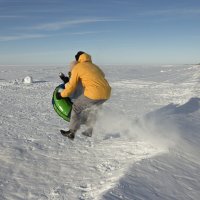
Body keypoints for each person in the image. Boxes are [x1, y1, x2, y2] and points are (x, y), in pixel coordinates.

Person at [56, 51, 111, 140]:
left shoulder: (78, 67)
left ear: (78, 59)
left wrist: (61, 95)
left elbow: (72, 86)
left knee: (76, 107)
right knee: (94, 108)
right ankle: (89, 130)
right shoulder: (94, 66)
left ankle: (71, 132)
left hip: (94, 92)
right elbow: (101, 76)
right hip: (106, 92)